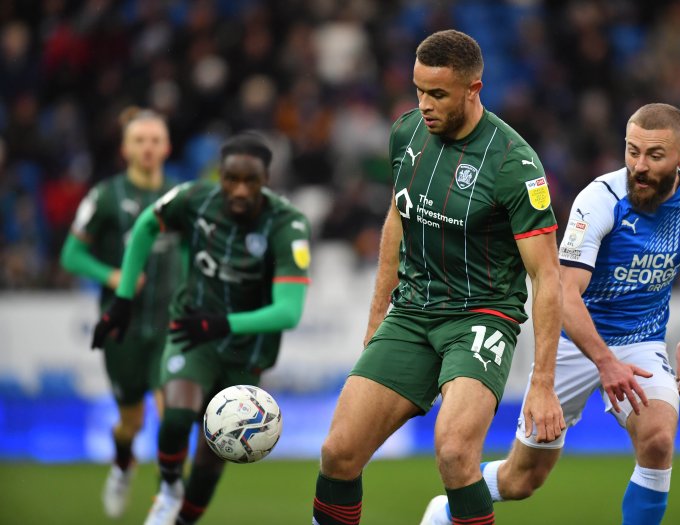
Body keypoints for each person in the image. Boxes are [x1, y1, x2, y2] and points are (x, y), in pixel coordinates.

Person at [421, 102, 680, 525]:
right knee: (522, 480)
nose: (639, 165)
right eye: (632, 150)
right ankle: (444, 511)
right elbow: (564, 293)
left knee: (658, 441)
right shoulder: (600, 200)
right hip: (571, 345)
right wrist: (604, 361)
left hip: (640, 343)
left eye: (654, 155)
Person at [312, 29, 565, 525]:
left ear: (474, 89)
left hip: (481, 317)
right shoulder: (406, 135)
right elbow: (396, 221)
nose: (424, 105)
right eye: (419, 90)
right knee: (337, 452)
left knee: (453, 453)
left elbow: (547, 276)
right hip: (411, 313)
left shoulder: (514, 165)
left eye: (438, 94)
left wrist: (542, 382)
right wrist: (376, 321)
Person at [91, 131, 311, 525]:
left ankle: (183, 519)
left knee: (216, 450)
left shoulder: (287, 225)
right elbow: (145, 226)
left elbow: (288, 313)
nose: (240, 189)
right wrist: (123, 299)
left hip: (247, 350)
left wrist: (222, 323)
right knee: (175, 417)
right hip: (193, 332)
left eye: (251, 181)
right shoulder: (194, 198)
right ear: (219, 177)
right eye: (231, 179)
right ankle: (169, 488)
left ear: (266, 180)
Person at [60, 107, 181, 519]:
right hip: (123, 330)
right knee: (129, 423)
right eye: (139, 141)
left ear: (166, 147)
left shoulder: (181, 197)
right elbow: (71, 254)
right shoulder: (106, 196)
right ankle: (122, 464)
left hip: (169, 327)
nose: (147, 148)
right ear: (125, 148)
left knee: (172, 416)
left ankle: (168, 495)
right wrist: (112, 276)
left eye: (154, 140)